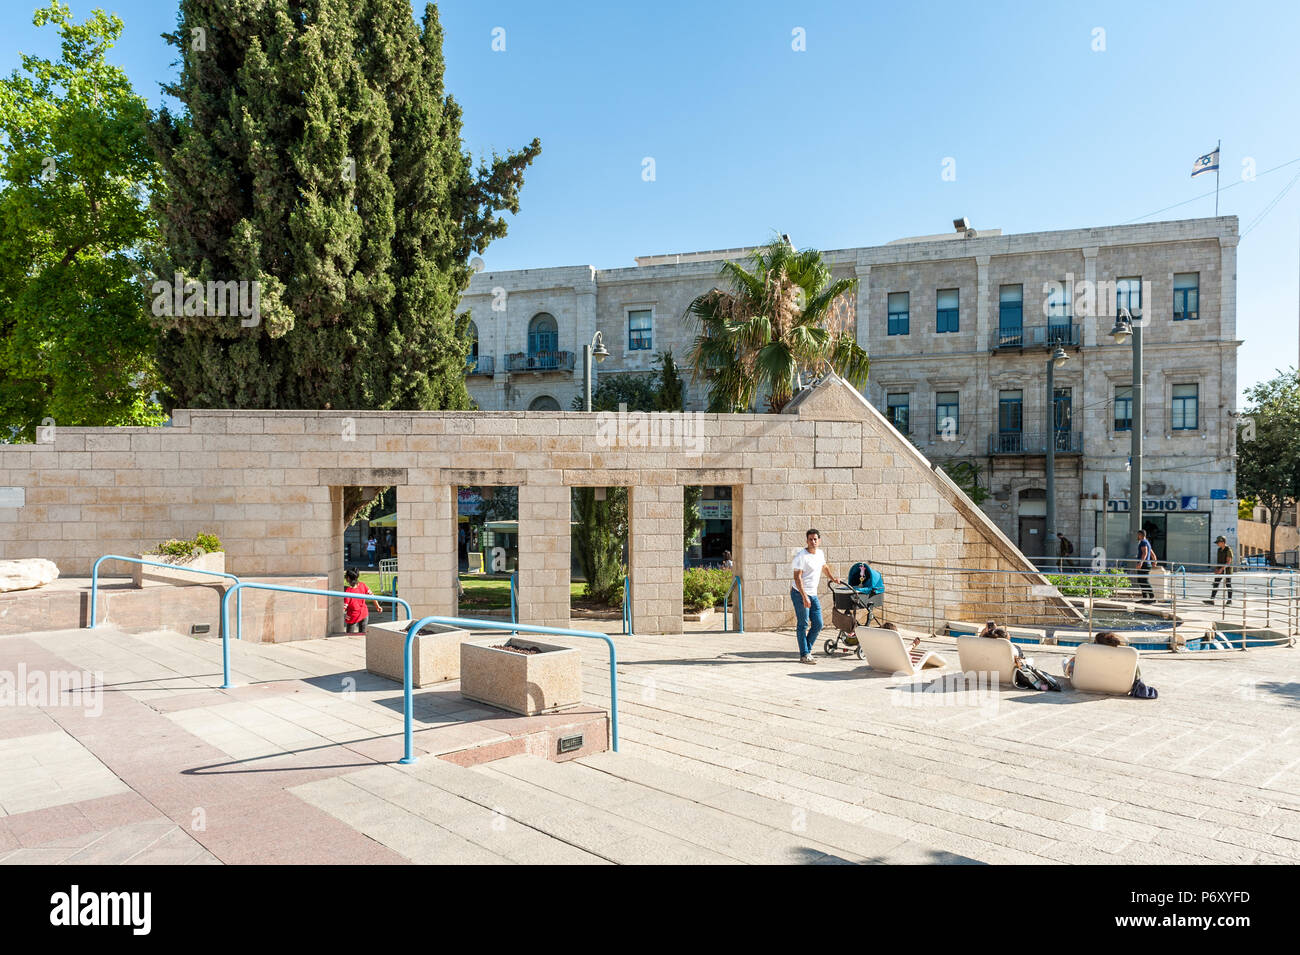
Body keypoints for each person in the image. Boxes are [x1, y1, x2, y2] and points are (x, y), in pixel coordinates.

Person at [790, 528, 840, 665]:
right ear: (807, 541)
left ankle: (807, 650)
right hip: (799, 593)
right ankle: (805, 654)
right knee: (803, 624)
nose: (813, 542)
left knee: (818, 624)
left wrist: (832, 578)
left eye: (815, 539)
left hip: (813, 594)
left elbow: (824, 567)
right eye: (810, 539)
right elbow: (797, 578)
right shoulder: (800, 556)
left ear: (819, 541)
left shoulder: (820, 554)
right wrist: (804, 596)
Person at [343, 568, 383, 634]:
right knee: (363, 634)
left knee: (349, 635)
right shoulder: (362, 585)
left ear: (348, 578)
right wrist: (377, 606)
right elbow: (372, 596)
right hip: (364, 613)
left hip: (353, 616)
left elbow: (345, 605)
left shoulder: (348, 591)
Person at [1205, 535, 1234, 607]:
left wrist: (1221, 569)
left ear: (1223, 542)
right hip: (1220, 570)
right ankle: (1212, 600)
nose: (1217, 544)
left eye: (1218, 542)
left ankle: (1229, 600)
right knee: (1216, 584)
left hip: (1227, 570)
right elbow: (1219, 561)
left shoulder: (1228, 550)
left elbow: (1228, 562)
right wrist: (1217, 569)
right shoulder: (1219, 550)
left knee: (1228, 584)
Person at [1133, 529, 1157, 603]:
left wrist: (1141, 563)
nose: (1137, 536)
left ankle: (1152, 597)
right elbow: (1152, 553)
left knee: (1144, 581)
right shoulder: (1147, 542)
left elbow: (1145, 553)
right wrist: (1155, 560)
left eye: (1138, 535)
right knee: (1141, 580)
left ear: (1141, 535)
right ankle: (1145, 597)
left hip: (1144, 565)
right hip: (1147, 564)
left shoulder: (1143, 542)